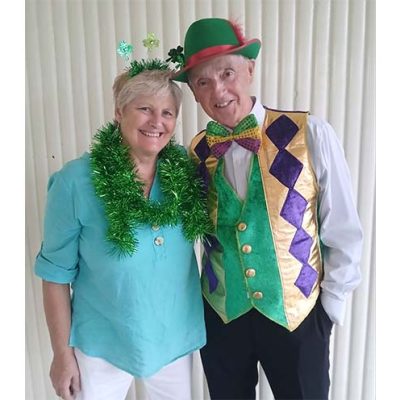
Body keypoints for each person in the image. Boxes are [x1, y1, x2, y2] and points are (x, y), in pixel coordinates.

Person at [171, 17, 363, 400]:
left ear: (250, 69)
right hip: (223, 316)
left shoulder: (310, 134)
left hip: (297, 314)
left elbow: (342, 229)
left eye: (227, 73)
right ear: (193, 92)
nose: (218, 90)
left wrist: (329, 309)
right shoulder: (195, 153)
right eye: (203, 82)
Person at [35, 49, 212, 400]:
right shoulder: (74, 182)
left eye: (167, 113)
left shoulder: (188, 171)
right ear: (119, 112)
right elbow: (55, 275)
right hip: (101, 342)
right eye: (144, 108)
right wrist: (61, 355)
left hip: (173, 340)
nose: (156, 122)